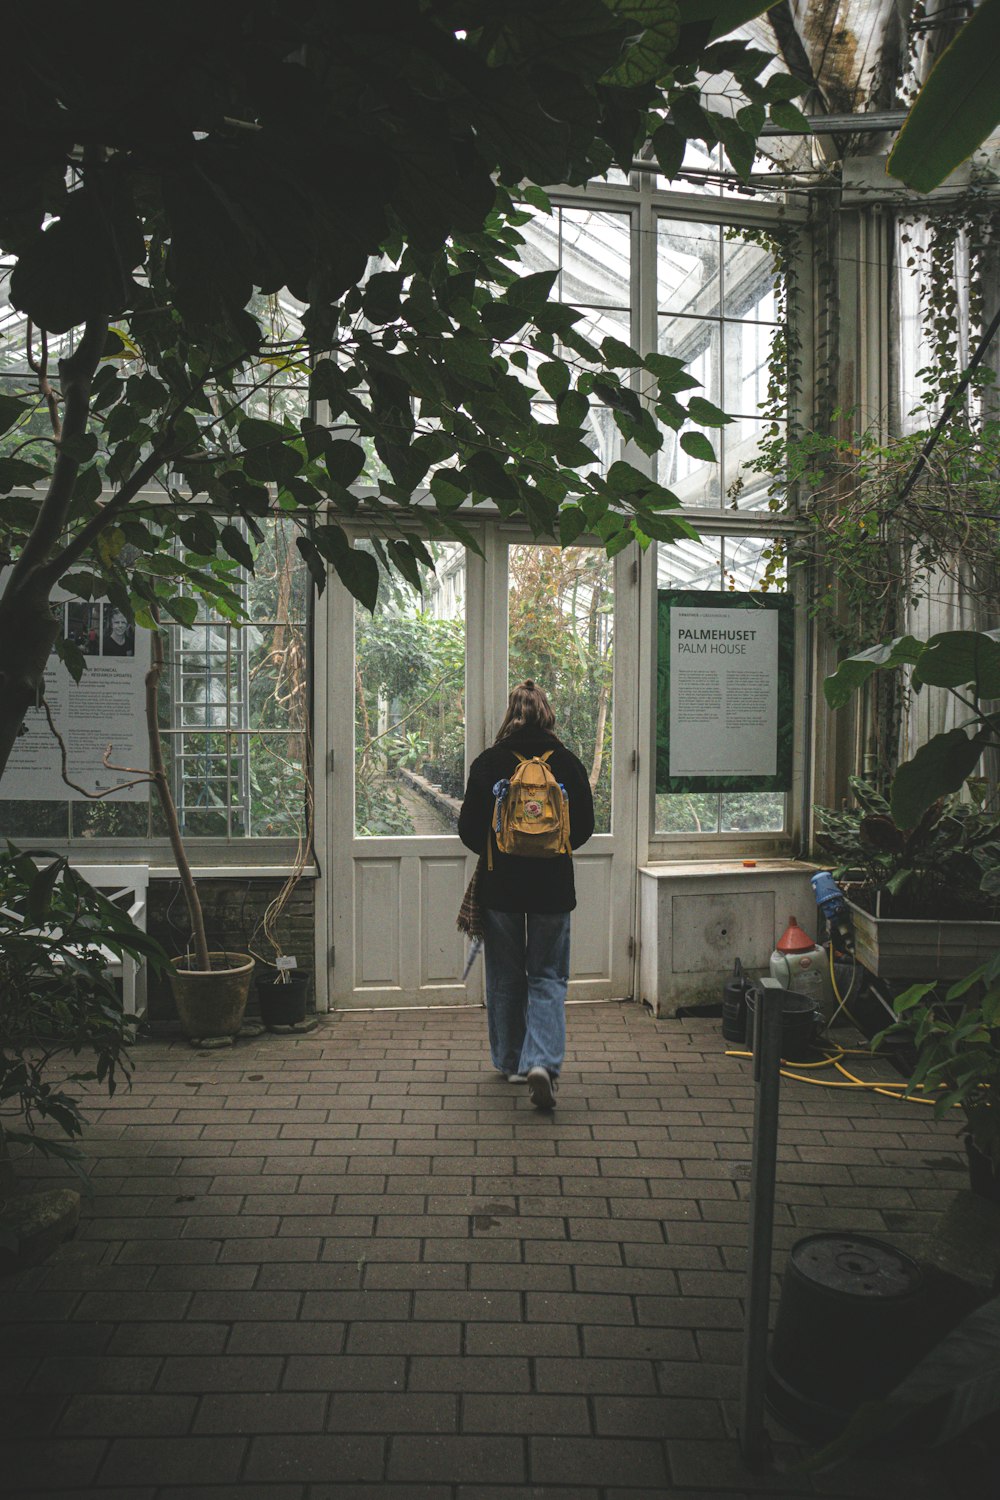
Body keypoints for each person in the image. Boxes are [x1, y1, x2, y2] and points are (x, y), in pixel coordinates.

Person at [458, 681, 594, 1110]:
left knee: (505, 976)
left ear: (510, 714)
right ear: (548, 714)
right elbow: (584, 829)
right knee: (548, 976)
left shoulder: (489, 763)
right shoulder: (568, 765)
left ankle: (513, 1063)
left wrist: (504, 847)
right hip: (553, 889)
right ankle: (544, 1061)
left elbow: (467, 832)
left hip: (502, 888)